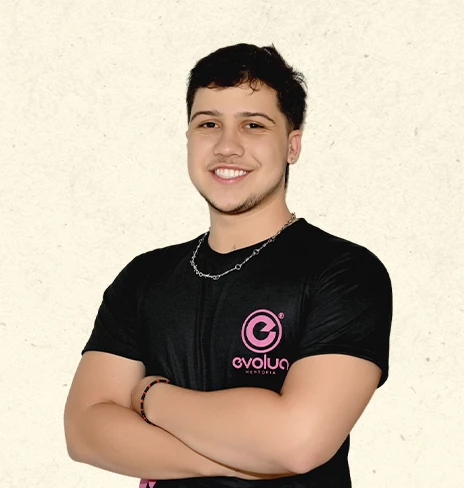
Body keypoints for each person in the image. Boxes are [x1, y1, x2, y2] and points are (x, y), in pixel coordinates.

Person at [64, 43, 393, 488]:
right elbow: (84, 431)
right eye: (208, 124)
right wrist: (245, 461)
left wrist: (149, 396)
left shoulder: (344, 273)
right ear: (188, 138)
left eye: (253, 125)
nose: (227, 146)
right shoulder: (144, 277)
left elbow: (297, 442)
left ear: (292, 145)